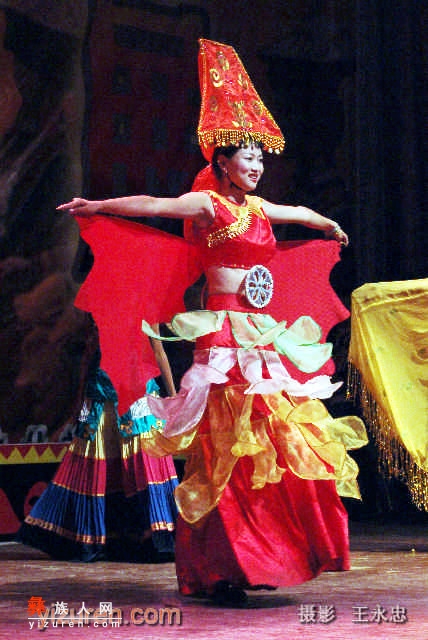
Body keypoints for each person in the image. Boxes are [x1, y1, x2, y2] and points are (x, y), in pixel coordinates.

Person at [57, 39, 367, 604]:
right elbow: (153, 204)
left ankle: (271, 553)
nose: (258, 167)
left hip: (263, 337)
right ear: (222, 162)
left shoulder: (258, 208)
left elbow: (299, 213)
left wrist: (329, 226)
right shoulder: (209, 207)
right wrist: (98, 207)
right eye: (249, 158)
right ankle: (225, 565)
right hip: (223, 337)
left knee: (272, 442)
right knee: (227, 446)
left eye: (262, 160)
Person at [18, 320, 179, 563]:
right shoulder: (100, 307)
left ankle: (151, 537)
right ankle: (97, 537)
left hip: (136, 391)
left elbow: (158, 351)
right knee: (91, 464)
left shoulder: (145, 308)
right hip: (99, 394)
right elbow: (89, 356)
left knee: (145, 463)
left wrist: (174, 397)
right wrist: (77, 405)